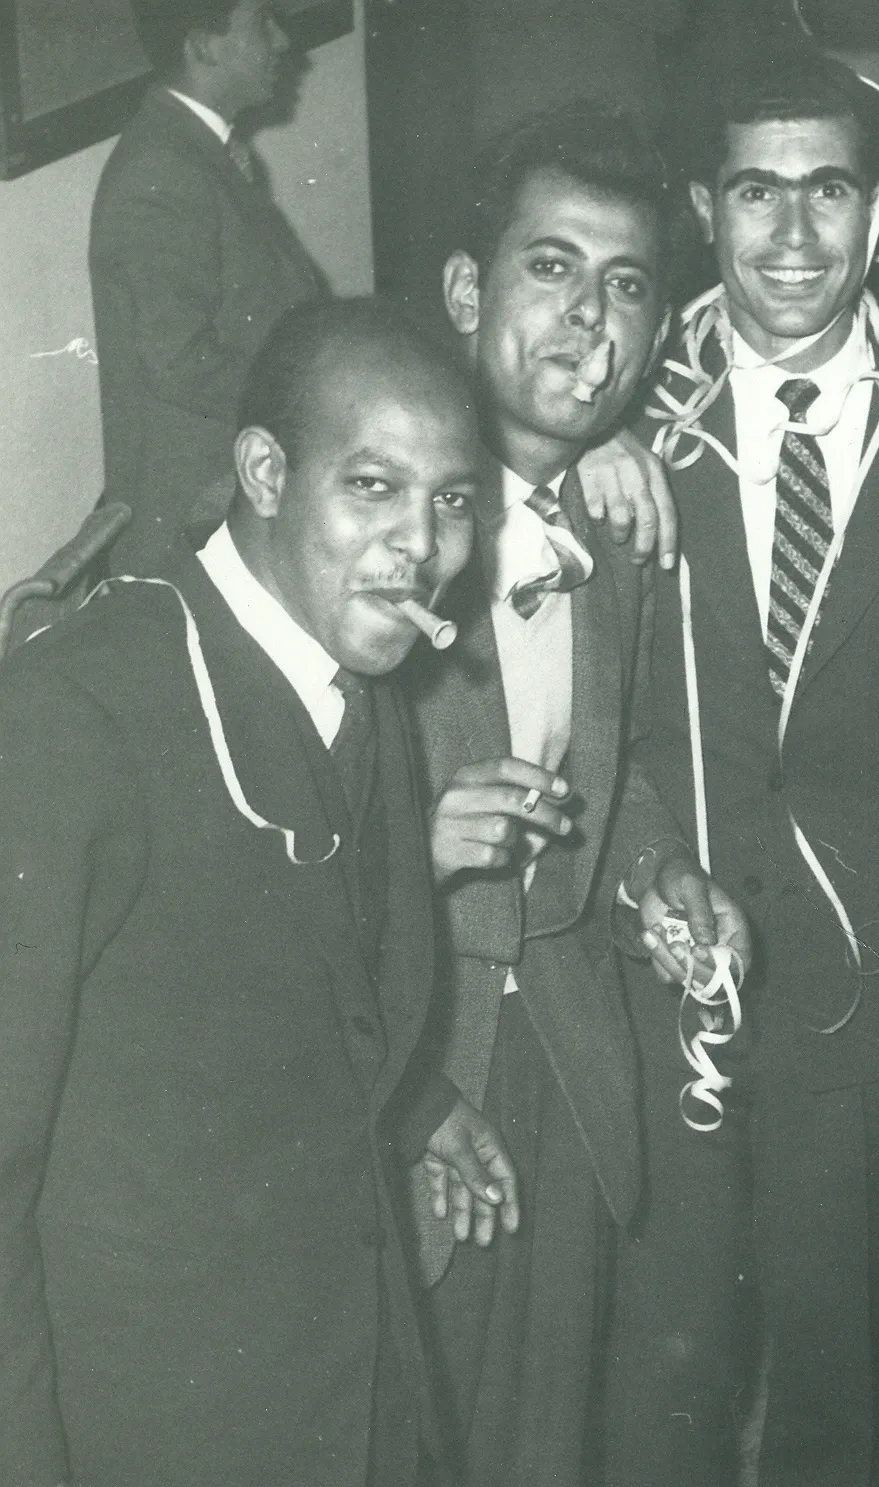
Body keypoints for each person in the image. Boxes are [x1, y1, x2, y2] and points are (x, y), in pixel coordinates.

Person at [0, 297, 514, 1485]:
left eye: (452, 503)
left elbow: (274, 987)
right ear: (267, 471)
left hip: (353, 1401)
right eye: (375, 487)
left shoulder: (354, 675)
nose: (421, 548)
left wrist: (413, 1095)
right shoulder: (69, 717)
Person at [633, 51, 879, 1486]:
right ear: (703, 207)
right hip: (663, 965)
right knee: (661, 1372)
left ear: (876, 205)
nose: (791, 234)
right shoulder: (620, 412)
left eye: (826, 189)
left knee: (839, 1372)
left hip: (861, 985)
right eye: (755, 191)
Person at [400, 102, 753, 1487]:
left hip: (562, 1056)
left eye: (624, 287)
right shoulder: (370, 513)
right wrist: (408, 1090)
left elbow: (620, 760)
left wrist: (663, 870)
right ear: (466, 292)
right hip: (404, 1073)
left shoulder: (614, 521)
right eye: (549, 268)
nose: (585, 321)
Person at [90, 0, 324, 575]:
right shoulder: (161, 170)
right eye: (262, 21)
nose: (282, 40)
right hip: (202, 513)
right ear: (203, 45)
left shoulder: (205, 149)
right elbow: (177, 361)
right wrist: (314, 401)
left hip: (246, 477)